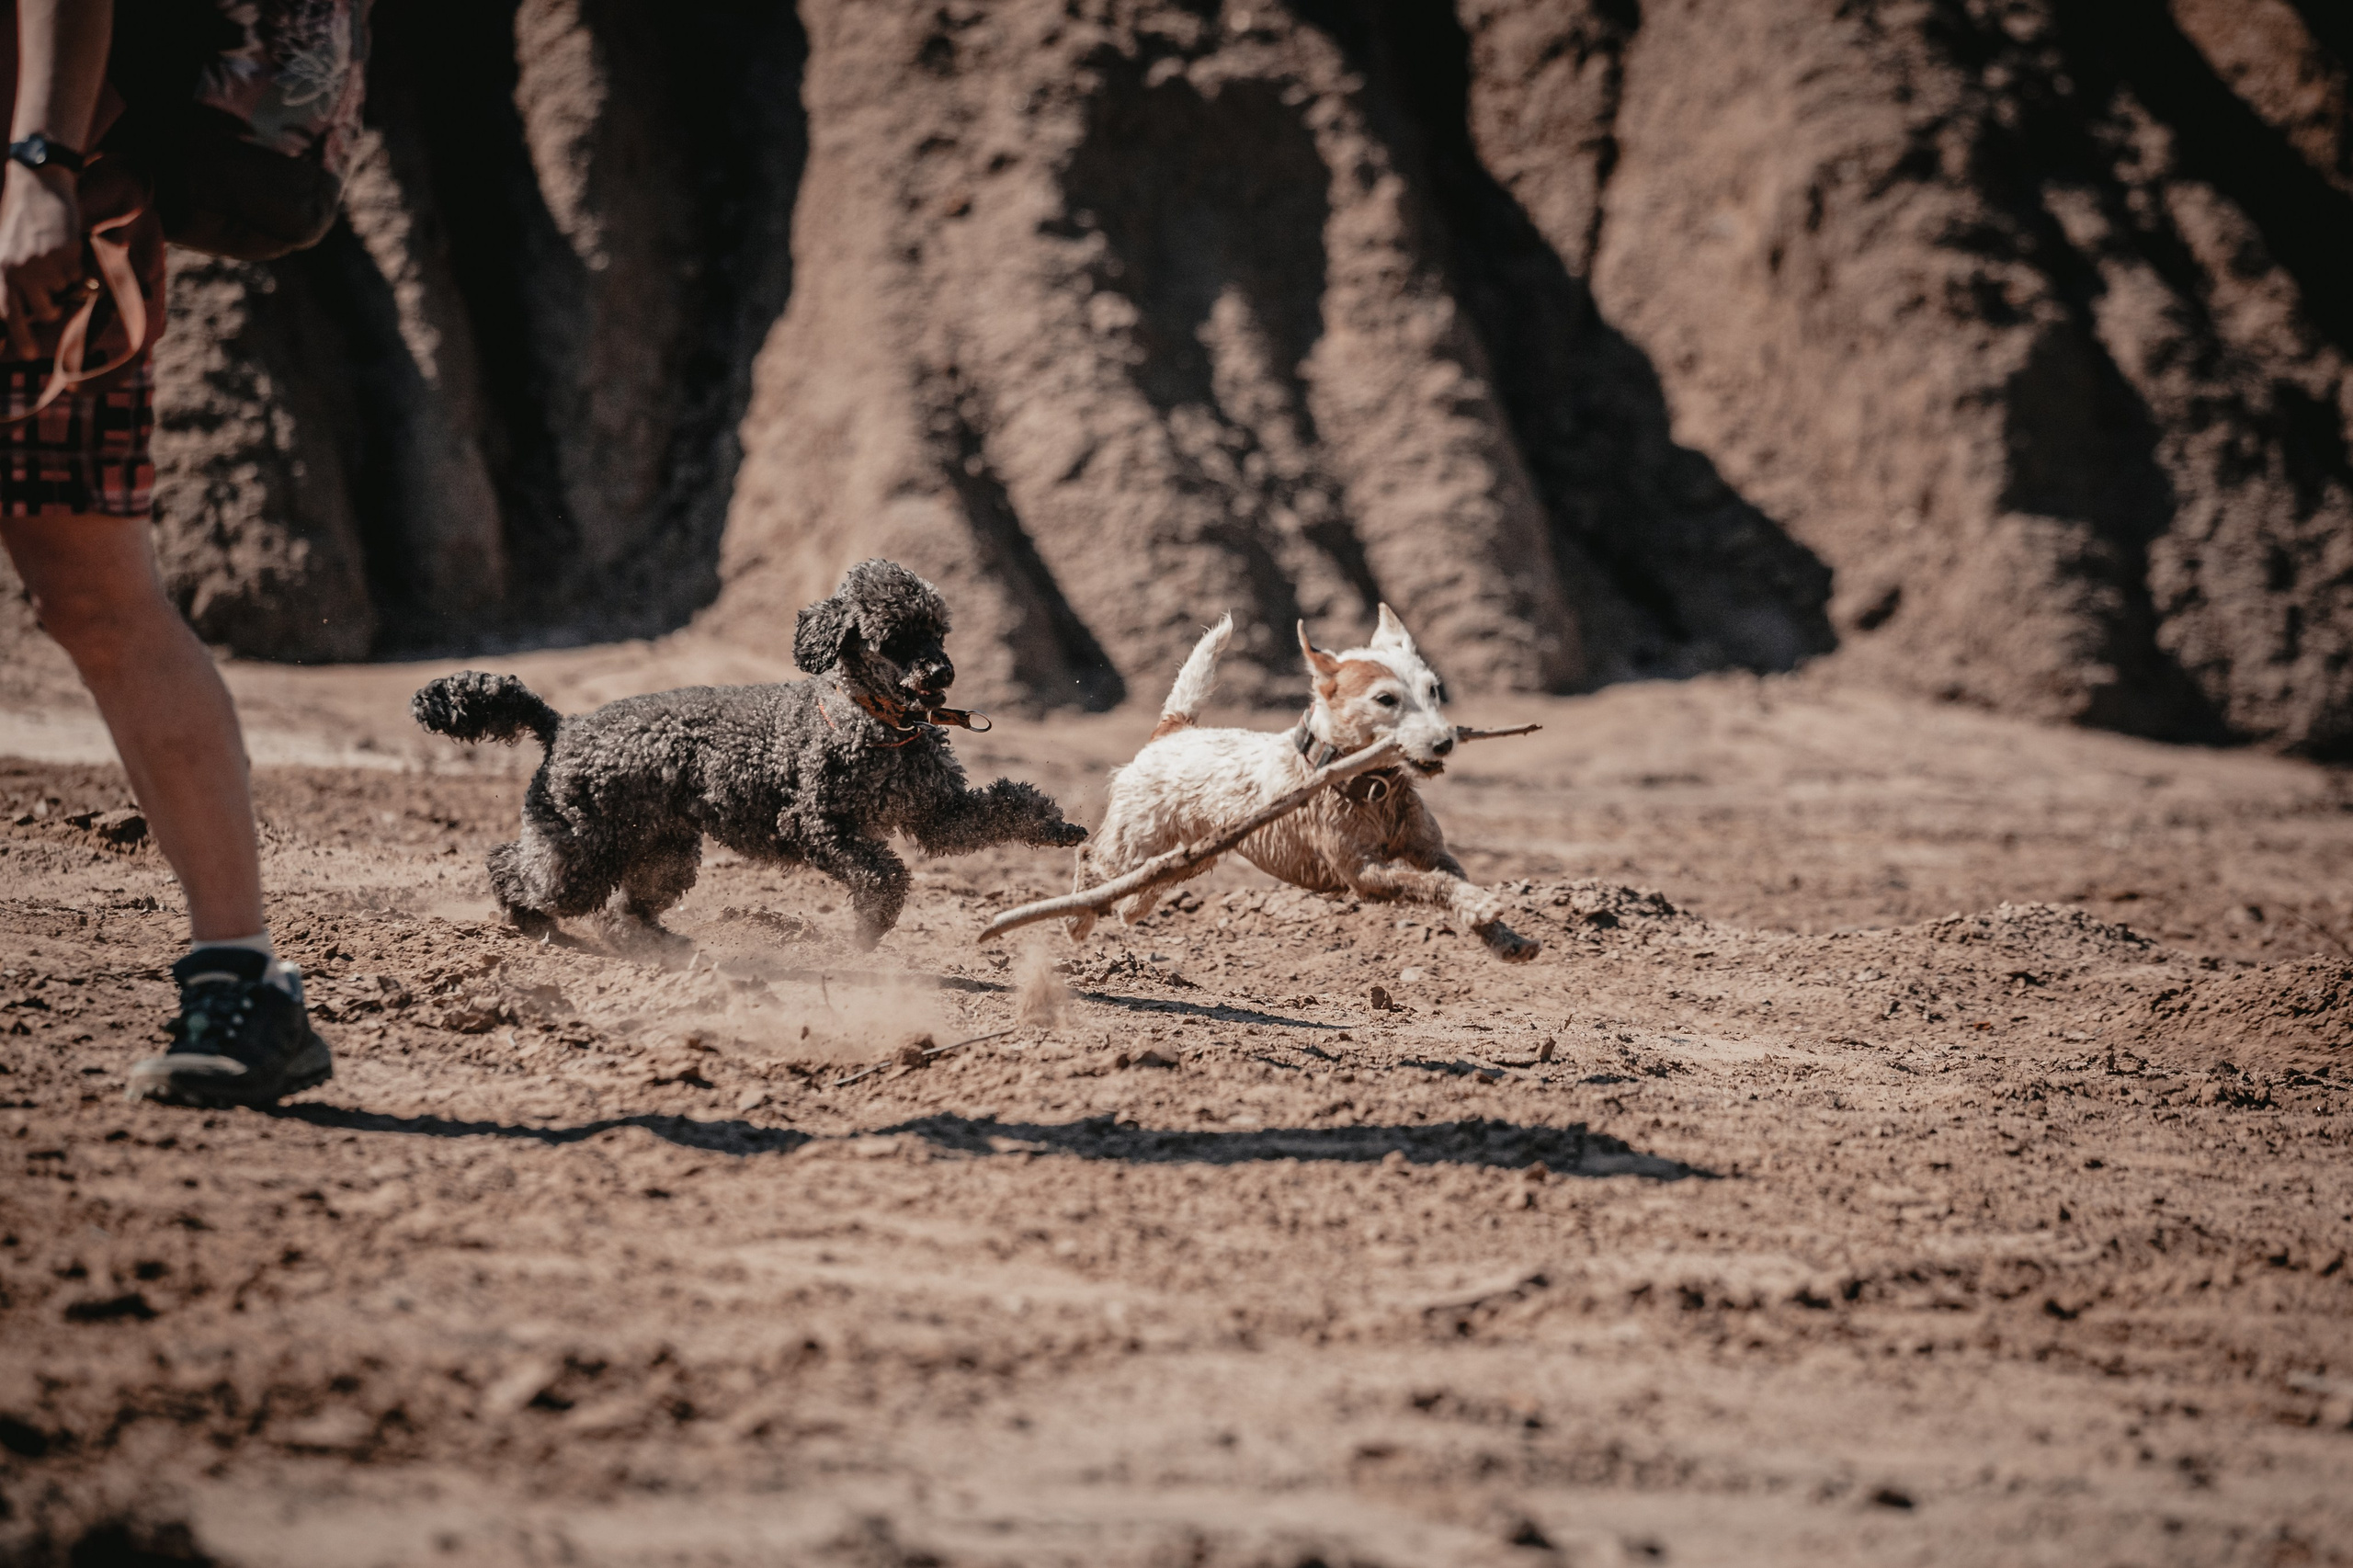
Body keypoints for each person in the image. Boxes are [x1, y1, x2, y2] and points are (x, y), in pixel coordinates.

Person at [0, 0, 356, 1107]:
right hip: (47, 200)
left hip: (49, 216)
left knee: (97, 596)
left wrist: (42, 163)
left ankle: (241, 984)